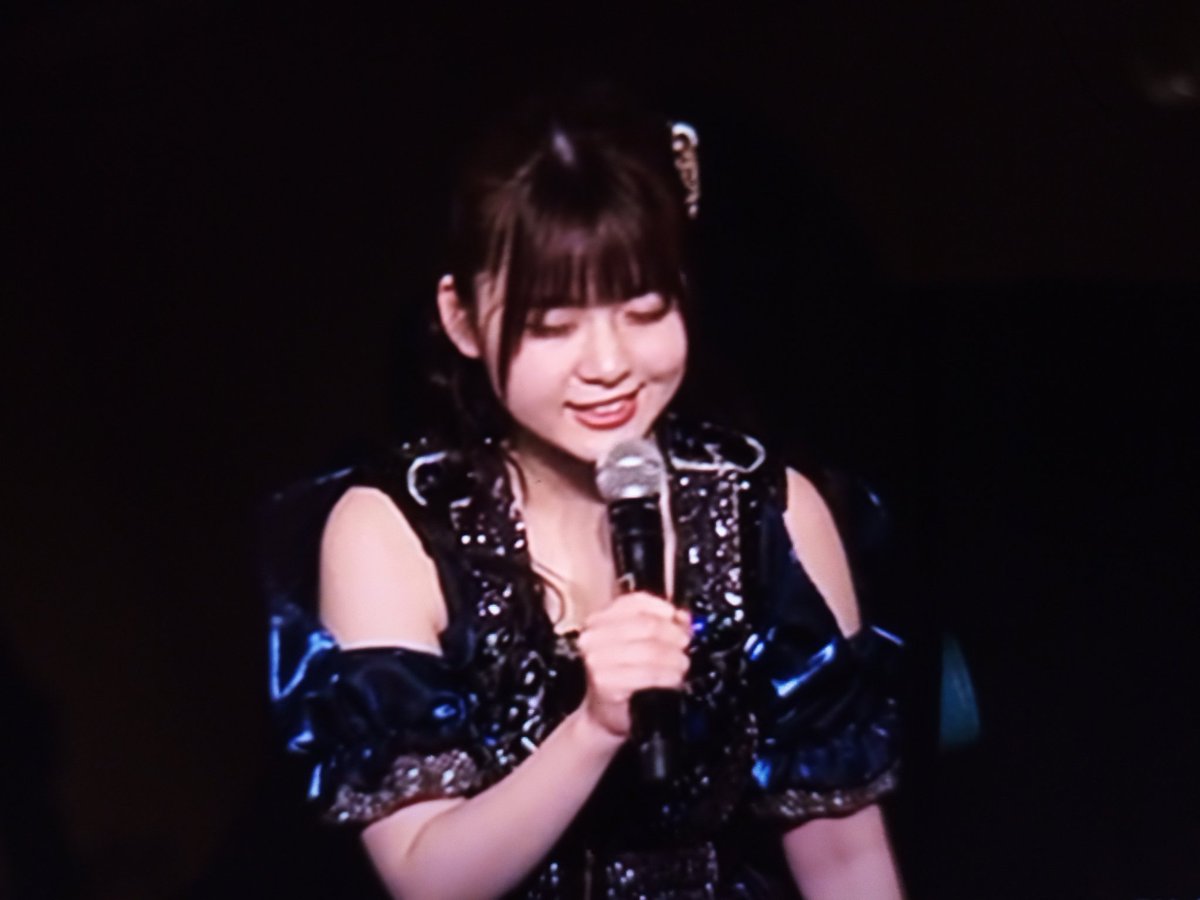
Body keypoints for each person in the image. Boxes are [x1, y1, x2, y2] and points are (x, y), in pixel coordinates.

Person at [265, 87, 905, 899]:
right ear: (462, 320)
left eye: (644, 310)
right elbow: (428, 880)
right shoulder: (394, 533)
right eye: (552, 327)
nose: (608, 364)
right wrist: (594, 728)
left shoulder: (767, 509)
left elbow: (847, 859)